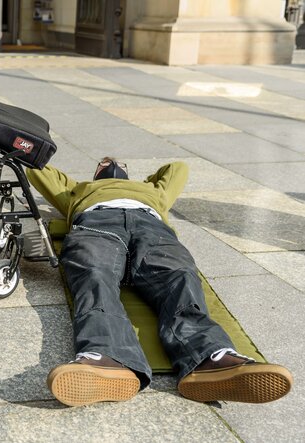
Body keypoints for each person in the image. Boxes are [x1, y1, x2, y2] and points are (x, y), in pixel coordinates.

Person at [26, 158, 293, 407]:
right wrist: (84, 181)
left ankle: (210, 357)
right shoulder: (76, 190)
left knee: (179, 276)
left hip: (150, 226)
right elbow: (36, 170)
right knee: (94, 275)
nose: (113, 164)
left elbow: (177, 168)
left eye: (119, 164)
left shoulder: (153, 191)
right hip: (97, 222)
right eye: (105, 163)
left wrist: (146, 182)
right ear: (95, 173)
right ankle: (107, 356)